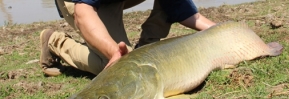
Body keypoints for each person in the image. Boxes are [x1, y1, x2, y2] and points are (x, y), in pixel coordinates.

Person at [40, 0, 216, 76]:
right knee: (115, 64)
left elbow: (180, 7)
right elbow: (82, 12)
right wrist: (113, 52)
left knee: (168, 4)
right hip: (80, 3)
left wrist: (218, 31)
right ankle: (55, 41)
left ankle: (147, 47)